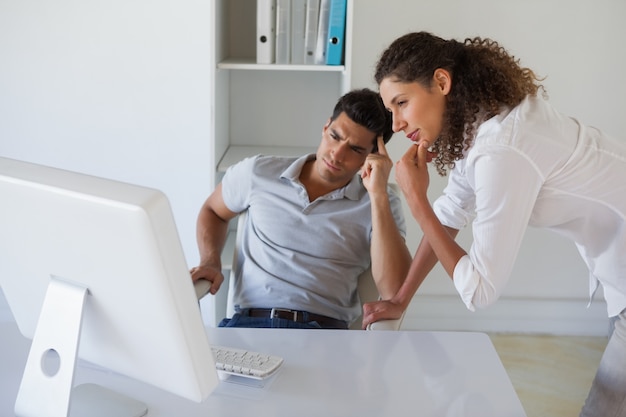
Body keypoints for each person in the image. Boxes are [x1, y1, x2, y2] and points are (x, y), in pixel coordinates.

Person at [361, 31, 626, 416]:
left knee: (605, 406)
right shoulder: (486, 121)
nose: (397, 124)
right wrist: (401, 299)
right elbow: (452, 211)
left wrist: (417, 202)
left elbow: (481, 290)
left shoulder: (502, 147)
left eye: (402, 103)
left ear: (441, 82)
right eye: (391, 111)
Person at [190, 88, 412, 330]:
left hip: (323, 335)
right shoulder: (258, 172)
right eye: (335, 136)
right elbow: (213, 210)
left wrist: (377, 194)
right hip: (248, 327)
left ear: (373, 156)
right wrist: (210, 261)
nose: (337, 154)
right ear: (326, 126)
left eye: (355, 149)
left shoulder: (380, 200)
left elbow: (393, 289)